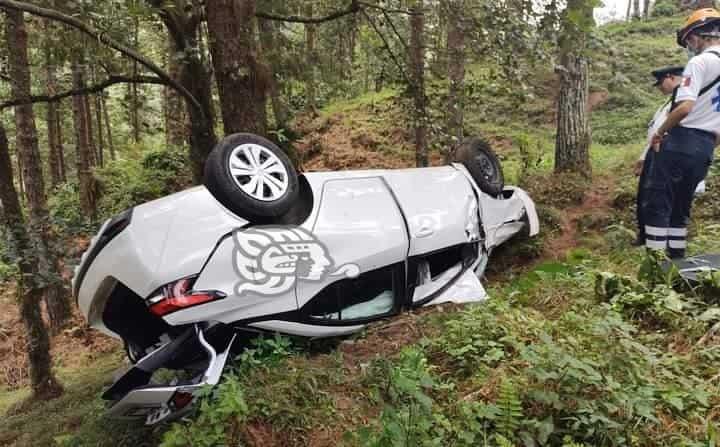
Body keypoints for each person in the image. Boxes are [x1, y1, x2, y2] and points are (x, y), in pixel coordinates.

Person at [645, 8, 720, 259]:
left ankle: (654, 270)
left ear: (701, 33)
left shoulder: (699, 62)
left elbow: (684, 107)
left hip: (680, 142)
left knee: (659, 204)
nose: (689, 45)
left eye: (689, 39)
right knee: (681, 208)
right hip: (706, 147)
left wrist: (660, 132)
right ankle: (677, 264)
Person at [634, 66, 686, 246]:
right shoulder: (668, 102)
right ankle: (646, 236)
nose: (659, 88)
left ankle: (660, 244)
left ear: (670, 77)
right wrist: (643, 157)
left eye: (660, 83)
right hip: (653, 153)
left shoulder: (683, 100)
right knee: (645, 196)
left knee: (659, 199)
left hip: (667, 154)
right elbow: (654, 131)